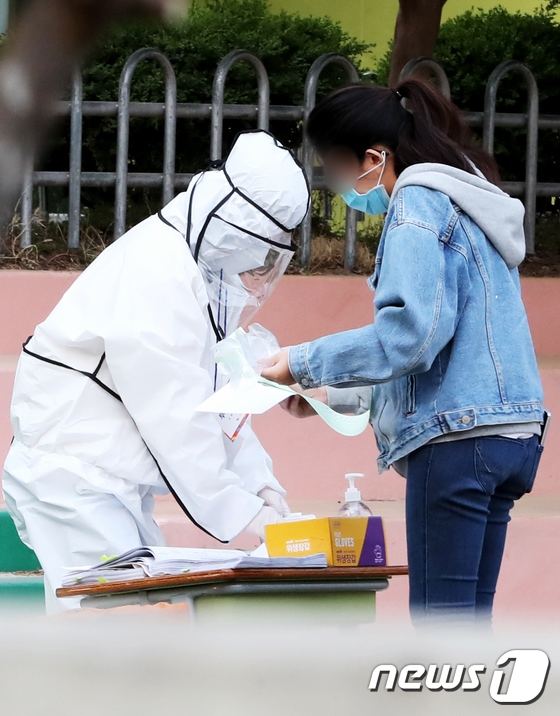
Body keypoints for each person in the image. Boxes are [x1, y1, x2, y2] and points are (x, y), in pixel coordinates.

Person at [262, 81, 547, 625]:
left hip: (457, 443)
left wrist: (300, 360)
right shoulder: (470, 204)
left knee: (439, 634)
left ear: (373, 158)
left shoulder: (416, 202)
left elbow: (411, 335)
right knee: (464, 631)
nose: (335, 184)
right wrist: (335, 393)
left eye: (333, 168)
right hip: (510, 436)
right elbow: (442, 340)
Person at [3, 130, 310, 613]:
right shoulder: (157, 272)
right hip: (74, 480)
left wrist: (263, 485)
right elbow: (178, 418)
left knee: (128, 633)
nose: (262, 273)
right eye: (259, 254)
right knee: (106, 640)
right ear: (229, 230)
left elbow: (217, 402)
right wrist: (251, 514)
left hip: (109, 484)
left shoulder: (194, 268)